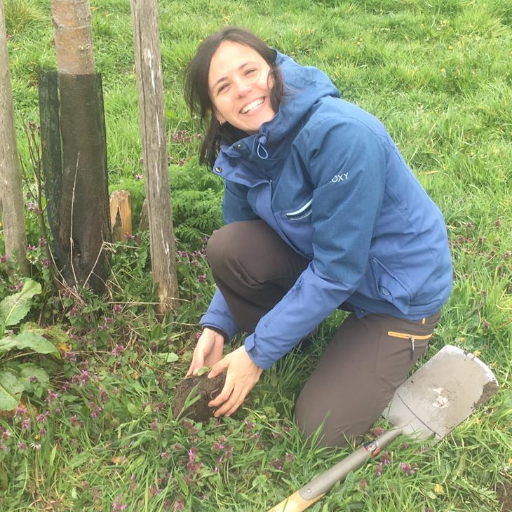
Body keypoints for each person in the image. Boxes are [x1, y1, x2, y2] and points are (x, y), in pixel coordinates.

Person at [184, 27, 452, 447]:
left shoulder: (341, 136)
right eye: (223, 87)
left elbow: (337, 270)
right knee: (228, 247)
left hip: (396, 292)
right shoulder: (243, 149)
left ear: (273, 70)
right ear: (217, 111)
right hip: (329, 268)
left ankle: (393, 338)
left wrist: (254, 354)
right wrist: (217, 326)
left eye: (249, 71)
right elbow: (242, 237)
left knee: (321, 428)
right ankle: (291, 336)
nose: (242, 90)